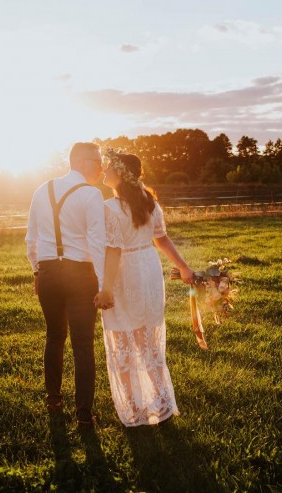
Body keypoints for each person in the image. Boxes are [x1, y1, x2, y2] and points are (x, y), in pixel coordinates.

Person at [94, 150, 194, 427]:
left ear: (120, 173)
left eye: (109, 167)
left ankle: (135, 408)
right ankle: (162, 401)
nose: (104, 171)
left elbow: (114, 250)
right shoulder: (150, 202)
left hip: (126, 273)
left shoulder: (109, 207)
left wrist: (107, 289)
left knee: (123, 340)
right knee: (147, 341)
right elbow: (162, 239)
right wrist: (183, 267)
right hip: (148, 270)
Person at [26, 142, 105, 430]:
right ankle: (83, 415)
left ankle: (53, 399)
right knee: (83, 344)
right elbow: (97, 243)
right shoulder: (91, 194)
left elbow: (31, 239)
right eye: (97, 161)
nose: (101, 167)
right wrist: (104, 284)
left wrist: (37, 271)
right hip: (80, 275)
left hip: (48, 273)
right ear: (82, 162)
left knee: (55, 336)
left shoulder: (41, 190)